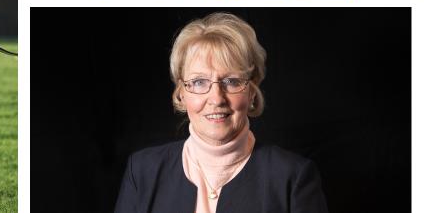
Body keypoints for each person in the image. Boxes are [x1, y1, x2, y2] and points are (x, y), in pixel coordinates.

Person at [114, 12, 329, 212]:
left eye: (232, 81)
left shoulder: (293, 178)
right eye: (199, 82)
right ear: (181, 93)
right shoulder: (142, 172)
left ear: (252, 92)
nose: (216, 98)